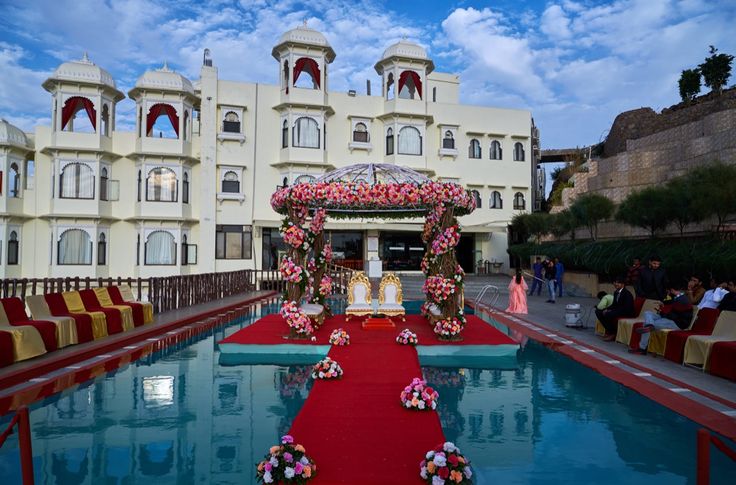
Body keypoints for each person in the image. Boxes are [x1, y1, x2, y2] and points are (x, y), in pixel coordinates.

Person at [633, 284, 694, 354]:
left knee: (645, 324)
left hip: (677, 323)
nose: (668, 293)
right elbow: (670, 308)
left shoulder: (682, 300)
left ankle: (642, 348)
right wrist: (662, 306)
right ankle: (650, 325)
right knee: (647, 313)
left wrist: (662, 312)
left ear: (672, 290)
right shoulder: (676, 297)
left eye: (669, 291)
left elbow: (673, 316)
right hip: (668, 317)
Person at [596, 276, 635, 341]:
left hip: (626, 312)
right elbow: (614, 304)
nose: (616, 284)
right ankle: (609, 330)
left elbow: (627, 308)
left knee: (609, 314)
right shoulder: (616, 292)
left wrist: (611, 311)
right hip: (618, 310)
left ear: (623, 284)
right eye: (615, 282)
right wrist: (606, 309)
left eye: (618, 283)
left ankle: (613, 333)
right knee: (598, 312)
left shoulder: (627, 294)